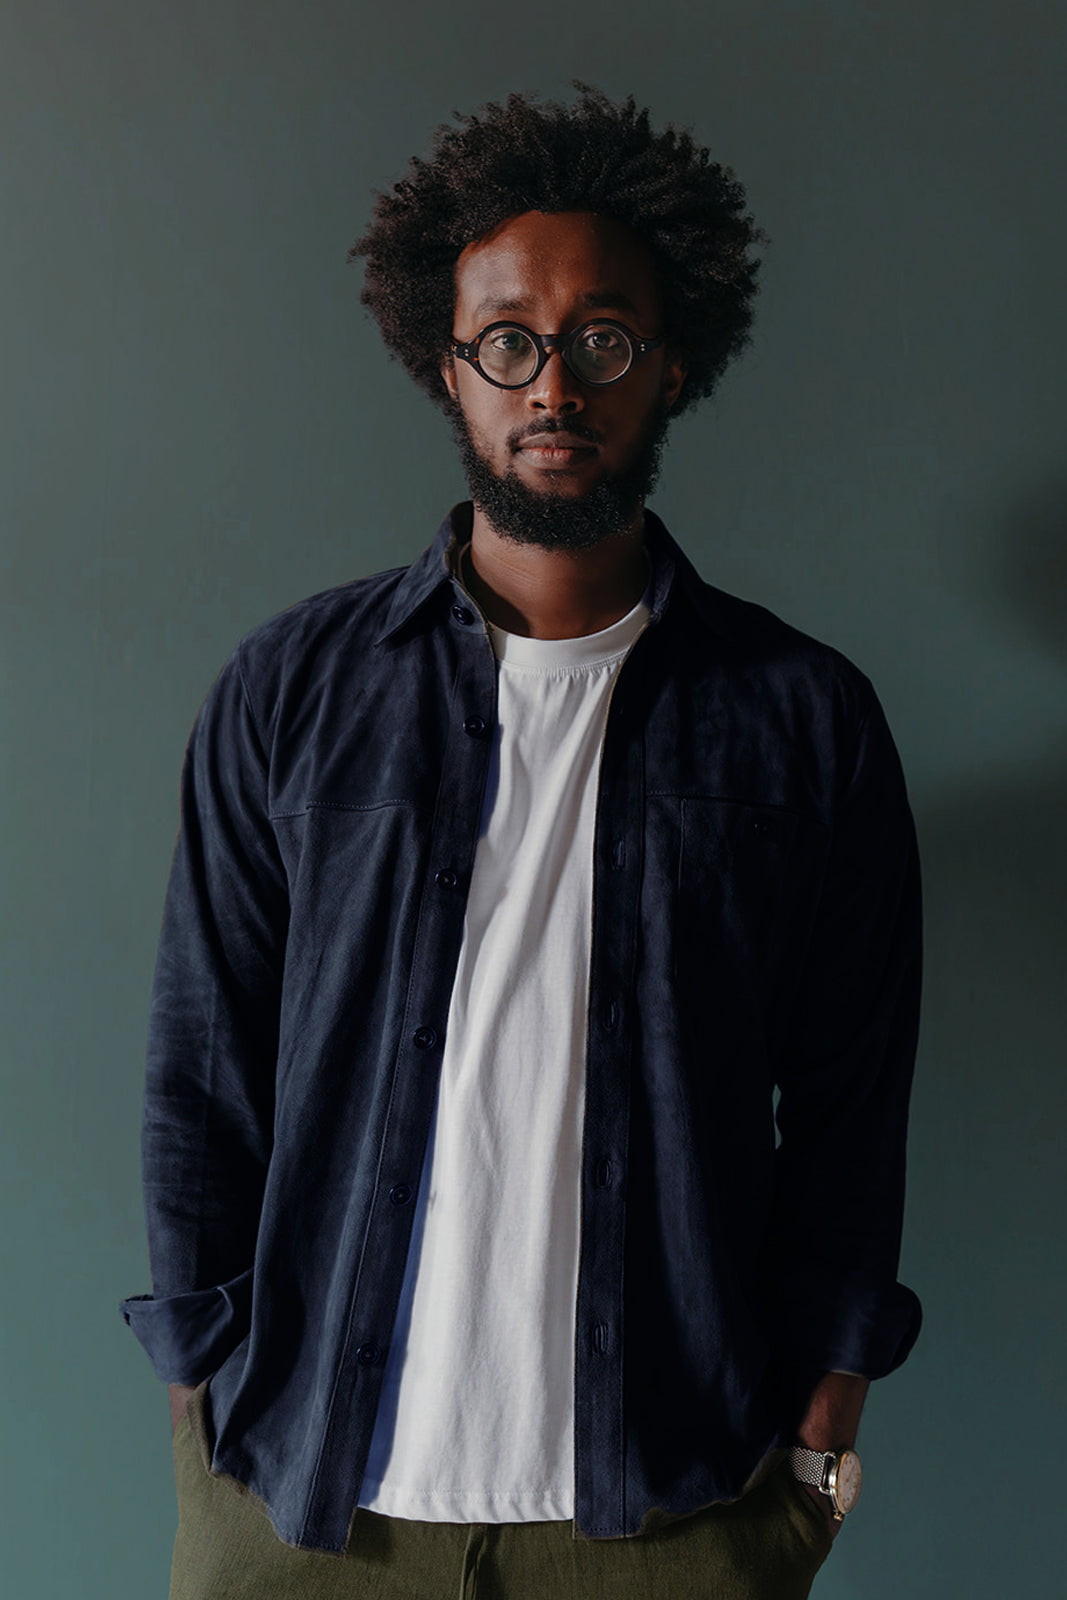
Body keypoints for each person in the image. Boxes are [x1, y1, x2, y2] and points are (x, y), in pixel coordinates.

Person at [122, 85, 922, 1600]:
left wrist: (821, 1433)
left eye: (602, 340)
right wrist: (200, 1379)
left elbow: (849, 1110)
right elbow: (202, 1067)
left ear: (672, 362)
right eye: (508, 341)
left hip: (677, 1508)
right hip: (301, 1496)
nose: (553, 384)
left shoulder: (805, 722)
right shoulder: (291, 692)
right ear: (448, 363)